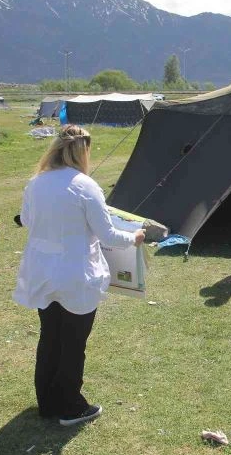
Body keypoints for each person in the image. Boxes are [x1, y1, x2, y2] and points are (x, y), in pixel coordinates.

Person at [13, 124, 146, 426]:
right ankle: (71, 406)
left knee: (50, 337)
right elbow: (108, 234)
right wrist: (134, 237)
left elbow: (27, 220)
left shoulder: (35, 183)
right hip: (75, 273)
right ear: (82, 151)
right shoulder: (85, 186)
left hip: (43, 271)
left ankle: (47, 401)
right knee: (73, 342)